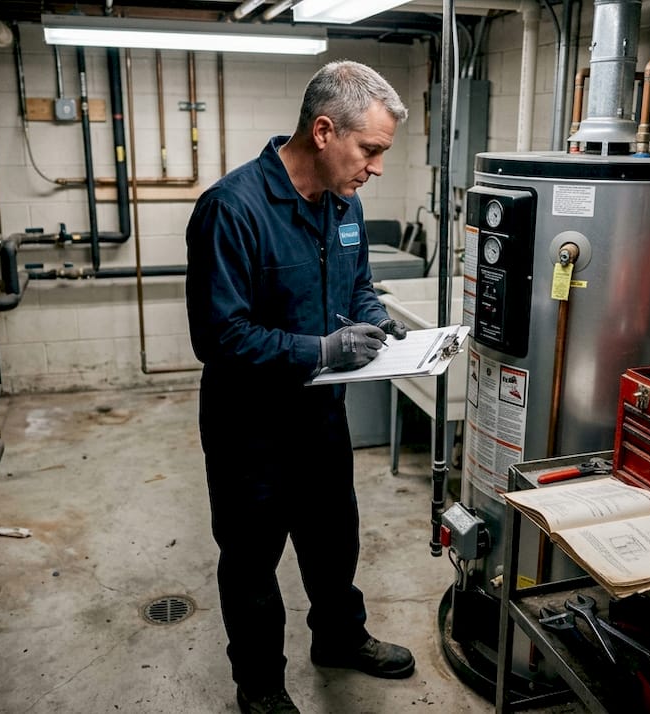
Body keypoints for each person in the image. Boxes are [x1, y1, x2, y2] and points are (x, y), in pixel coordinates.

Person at [185, 61, 413, 714]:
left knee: (333, 541)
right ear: (323, 131)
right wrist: (319, 350)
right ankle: (259, 686)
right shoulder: (232, 210)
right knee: (254, 563)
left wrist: (373, 319)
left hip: (321, 418)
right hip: (248, 429)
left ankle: (339, 639)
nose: (375, 167)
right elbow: (219, 338)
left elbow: (359, 285)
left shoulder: (346, 207)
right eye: (369, 150)